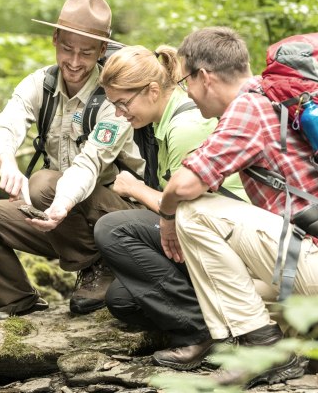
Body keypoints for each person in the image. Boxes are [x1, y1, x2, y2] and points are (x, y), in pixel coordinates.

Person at [157, 27, 318, 386]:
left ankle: (262, 348)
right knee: (231, 283)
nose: (188, 94)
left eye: (185, 81)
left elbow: (184, 185)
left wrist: (166, 216)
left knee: (193, 212)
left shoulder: (249, 107)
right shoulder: (283, 96)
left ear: (204, 77)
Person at [0, 0, 145, 317]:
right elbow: (6, 124)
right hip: (58, 216)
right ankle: (20, 304)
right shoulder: (41, 84)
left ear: (101, 50)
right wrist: (7, 161)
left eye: (86, 53)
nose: (74, 61)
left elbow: (90, 162)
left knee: (42, 184)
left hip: (114, 217)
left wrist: (60, 203)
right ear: (54, 39)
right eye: (67, 48)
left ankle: (97, 267)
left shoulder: (114, 94)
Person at [93, 44, 249, 370]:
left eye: (123, 104)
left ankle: (200, 332)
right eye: (114, 105)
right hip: (207, 235)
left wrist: (135, 188)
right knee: (122, 300)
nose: (119, 114)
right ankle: (214, 319)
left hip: (233, 243)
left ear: (152, 90)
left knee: (111, 228)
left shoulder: (185, 127)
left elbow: (184, 210)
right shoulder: (159, 125)